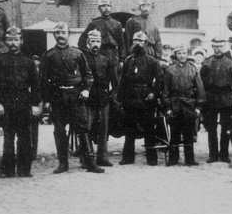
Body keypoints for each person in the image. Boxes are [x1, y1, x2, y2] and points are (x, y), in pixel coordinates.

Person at [41, 22, 102, 174]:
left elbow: (88, 75)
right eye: (57, 32)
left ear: (68, 34)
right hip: (58, 97)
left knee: (83, 129)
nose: (60, 35)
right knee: (60, 130)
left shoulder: (77, 53)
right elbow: (43, 80)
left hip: (76, 96)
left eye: (63, 32)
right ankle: (63, 163)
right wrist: (47, 100)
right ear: (54, 35)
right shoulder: (49, 55)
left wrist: (86, 90)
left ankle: (90, 162)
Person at [0, 27, 41, 178]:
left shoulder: (28, 62)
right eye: (10, 40)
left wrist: (35, 104)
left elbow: (35, 85)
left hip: (24, 104)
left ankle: (24, 169)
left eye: (16, 40)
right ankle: (7, 170)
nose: (13, 43)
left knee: (24, 137)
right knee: (8, 138)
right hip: (6, 104)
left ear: (21, 41)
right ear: (6, 41)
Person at [117, 30, 161, 166]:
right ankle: (128, 157)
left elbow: (159, 80)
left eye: (141, 41)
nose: (138, 43)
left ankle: (152, 158)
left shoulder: (152, 61)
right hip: (130, 97)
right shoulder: (128, 60)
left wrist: (154, 93)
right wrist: (121, 98)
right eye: (136, 40)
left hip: (145, 98)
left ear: (146, 43)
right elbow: (123, 80)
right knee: (129, 129)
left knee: (149, 129)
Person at [200, 35, 232, 163]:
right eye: (215, 46)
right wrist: (203, 101)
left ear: (223, 47)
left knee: (226, 128)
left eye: (220, 46)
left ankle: (224, 154)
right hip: (211, 98)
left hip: (226, 98)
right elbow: (201, 83)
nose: (218, 49)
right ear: (212, 47)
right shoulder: (207, 63)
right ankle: (213, 155)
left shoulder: (230, 63)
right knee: (211, 128)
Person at [162, 44, 205, 166]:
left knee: (189, 134)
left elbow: (200, 89)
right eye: (179, 53)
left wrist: (198, 107)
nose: (182, 56)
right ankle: (173, 158)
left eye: (184, 53)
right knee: (174, 133)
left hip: (189, 105)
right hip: (175, 105)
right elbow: (165, 91)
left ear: (187, 55)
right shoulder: (170, 70)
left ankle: (190, 159)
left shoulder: (193, 69)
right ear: (175, 55)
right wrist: (168, 108)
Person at [83, 29, 119, 167]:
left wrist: (112, 95)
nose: (96, 44)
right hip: (88, 98)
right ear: (88, 43)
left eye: (98, 41)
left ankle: (102, 157)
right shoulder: (83, 57)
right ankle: (87, 158)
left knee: (104, 128)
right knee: (87, 127)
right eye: (93, 41)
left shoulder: (106, 59)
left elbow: (113, 79)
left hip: (103, 97)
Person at [78, 0, 125, 64]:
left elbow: (121, 44)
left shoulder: (117, 24)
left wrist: (121, 60)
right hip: (99, 54)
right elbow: (81, 42)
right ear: (99, 8)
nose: (106, 8)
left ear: (111, 7)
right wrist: (89, 54)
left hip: (113, 56)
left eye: (108, 5)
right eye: (103, 6)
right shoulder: (94, 23)